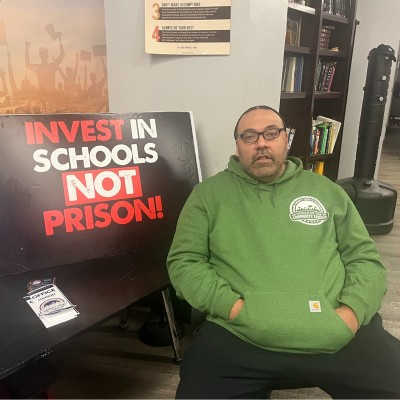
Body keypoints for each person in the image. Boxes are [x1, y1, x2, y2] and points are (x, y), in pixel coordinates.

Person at [167, 105, 400, 399]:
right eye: (249, 136)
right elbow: (184, 263)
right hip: (238, 334)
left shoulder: (327, 191)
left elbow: (364, 259)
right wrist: (233, 307)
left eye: (271, 133)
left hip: (338, 330)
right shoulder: (208, 195)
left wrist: (351, 313)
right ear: (237, 146)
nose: (261, 142)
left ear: (285, 140)